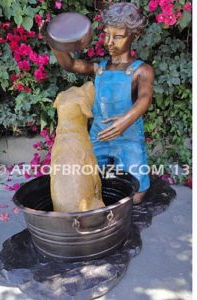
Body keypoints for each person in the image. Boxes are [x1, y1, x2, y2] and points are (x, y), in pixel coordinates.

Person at [45, 2, 154, 204]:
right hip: (99, 135)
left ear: (135, 37)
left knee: (138, 196)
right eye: (107, 35)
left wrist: (124, 121)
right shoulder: (99, 68)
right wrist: (52, 40)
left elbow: (145, 98)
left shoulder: (141, 70)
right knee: (90, 181)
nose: (110, 42)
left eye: (118, 36)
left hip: (128, 136)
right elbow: (69, 64)